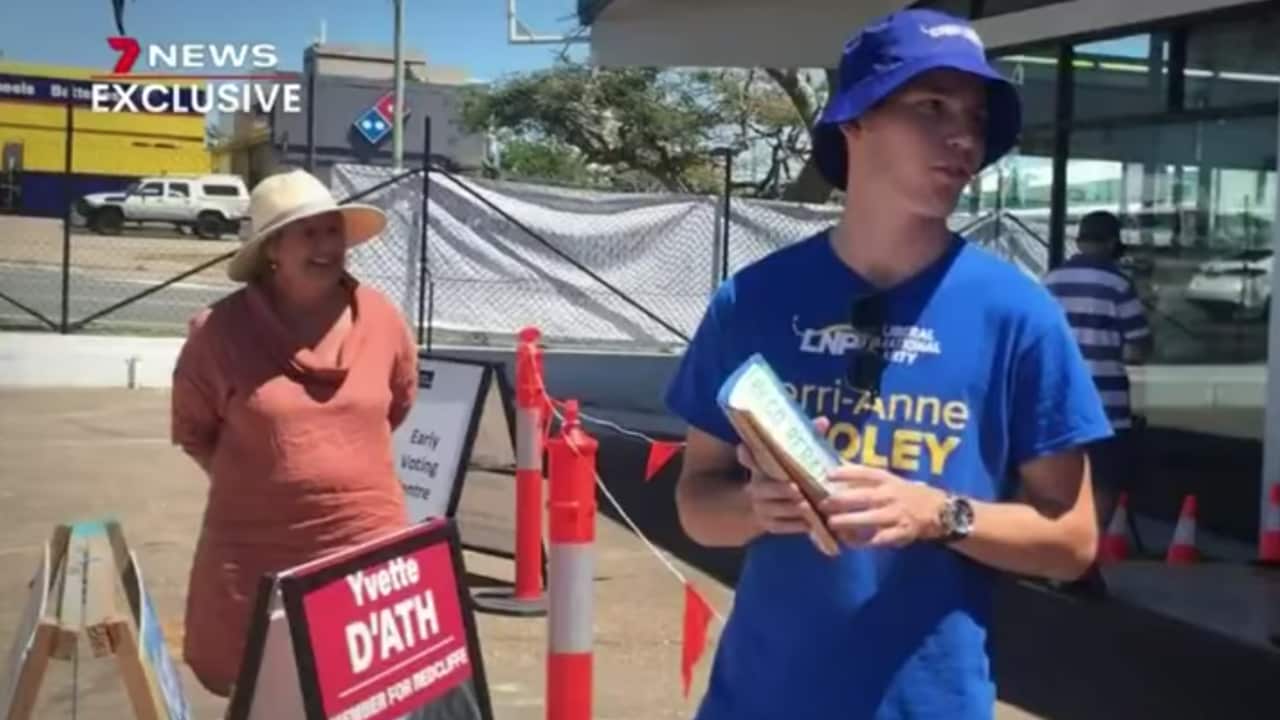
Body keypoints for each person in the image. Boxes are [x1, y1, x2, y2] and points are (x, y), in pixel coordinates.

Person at [664, 9, 1111, 719]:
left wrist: (939, 513)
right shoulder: (750, 300)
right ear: (855, 123)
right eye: (931, 105)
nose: (963, 136)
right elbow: (696, 502)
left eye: (975, 114)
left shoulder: (1018, 316)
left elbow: (1073, 541)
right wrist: (752, 507)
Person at [170, 168, 419, 696]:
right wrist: (268, 481)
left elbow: (394, 405)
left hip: (365, 542)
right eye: (308, 232)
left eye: (332, 230)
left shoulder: (383, 318)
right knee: (267, 692)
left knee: (367, 692)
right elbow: (195, 430)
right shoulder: (217, 333)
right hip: (258, 553)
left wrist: (335, 466)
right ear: (272, 250)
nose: (327, 244)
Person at [1044, 210, 1153, 531]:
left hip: (1055, 399)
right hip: (1104, 405)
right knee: (1104, 482)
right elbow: (1137, 348)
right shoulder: (1118, 284)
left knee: (1057, 481)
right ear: (1111, 243)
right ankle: (1084, 553)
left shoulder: (1050, 280)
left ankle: (1049, 550)